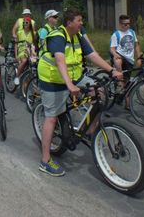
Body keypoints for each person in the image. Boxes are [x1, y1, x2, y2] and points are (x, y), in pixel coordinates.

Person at [37, 9, 123, 177]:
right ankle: (45, 160)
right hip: (52, 78)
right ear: (69, 23)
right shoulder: (57, 36)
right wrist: (69, 85)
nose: (82, 23)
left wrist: (112, 70)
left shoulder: (77, 36)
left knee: (99, 92)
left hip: (73, 77)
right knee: (52, 117)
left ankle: (90, 131)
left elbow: (93, 55)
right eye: (79, 20)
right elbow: (60, 60)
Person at [110, 14, 143, 92]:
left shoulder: (132, 32)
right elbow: (112, 49)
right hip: (120, 56)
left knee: (127, 82)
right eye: (125, 24)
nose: (128, 26)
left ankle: (124, 92)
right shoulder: (116, 34)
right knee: (118, 61)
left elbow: (136, 45)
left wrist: (139, 57)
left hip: (129, 59)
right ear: (120, 24)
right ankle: (120, 83)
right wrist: (115, 54)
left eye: (129, 24)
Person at [14, 16, 36, 86]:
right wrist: (16, 55)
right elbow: (16, 44)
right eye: (24, 23)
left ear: (30, 24)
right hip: (21, 51)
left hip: (30, 51)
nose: (25, 24)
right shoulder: (19, 32)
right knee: (24, 60)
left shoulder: (33, 33)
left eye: (27, 22)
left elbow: (35, 44)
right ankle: (17, 76)